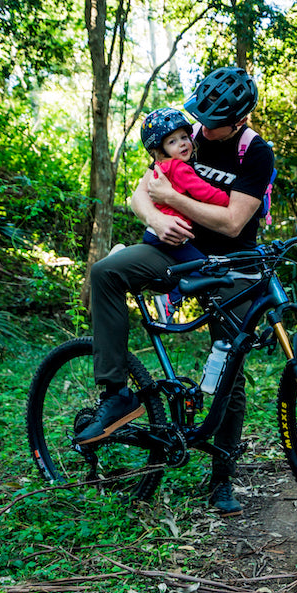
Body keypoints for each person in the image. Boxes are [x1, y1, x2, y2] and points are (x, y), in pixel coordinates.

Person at [76, 67, 274, 517]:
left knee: (231, 366)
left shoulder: (254, 153)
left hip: (231, 263)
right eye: (196, 117)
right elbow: (139, 193)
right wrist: (156, 218)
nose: (198, 130)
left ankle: (222, 476)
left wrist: (177, 202)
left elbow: (232, 222)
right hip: (173, 247)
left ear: (239, 119)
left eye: (211, 121)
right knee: (106, 272)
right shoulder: (183, 135)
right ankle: (115, 395)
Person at [138, 106, 230, 317]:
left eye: (184, 137)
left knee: (187, 267)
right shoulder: (179, 168)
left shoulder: (164, 167)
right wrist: (227, 199)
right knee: (205, 267)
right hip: (169, 233)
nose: (182, 143)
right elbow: (203, 192)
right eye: (172, 141)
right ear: (161, 150)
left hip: (156, 232)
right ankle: (170, 300)